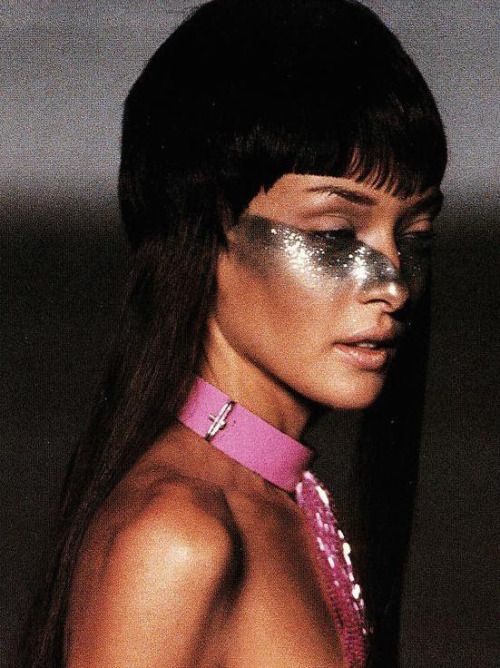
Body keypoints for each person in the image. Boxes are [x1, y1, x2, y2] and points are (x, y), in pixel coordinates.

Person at [16, 0, 447, 666]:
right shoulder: (178, 536)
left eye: (415, 236)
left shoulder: (271, 502)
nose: (393, 283)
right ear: (207, 230)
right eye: (336, 234)